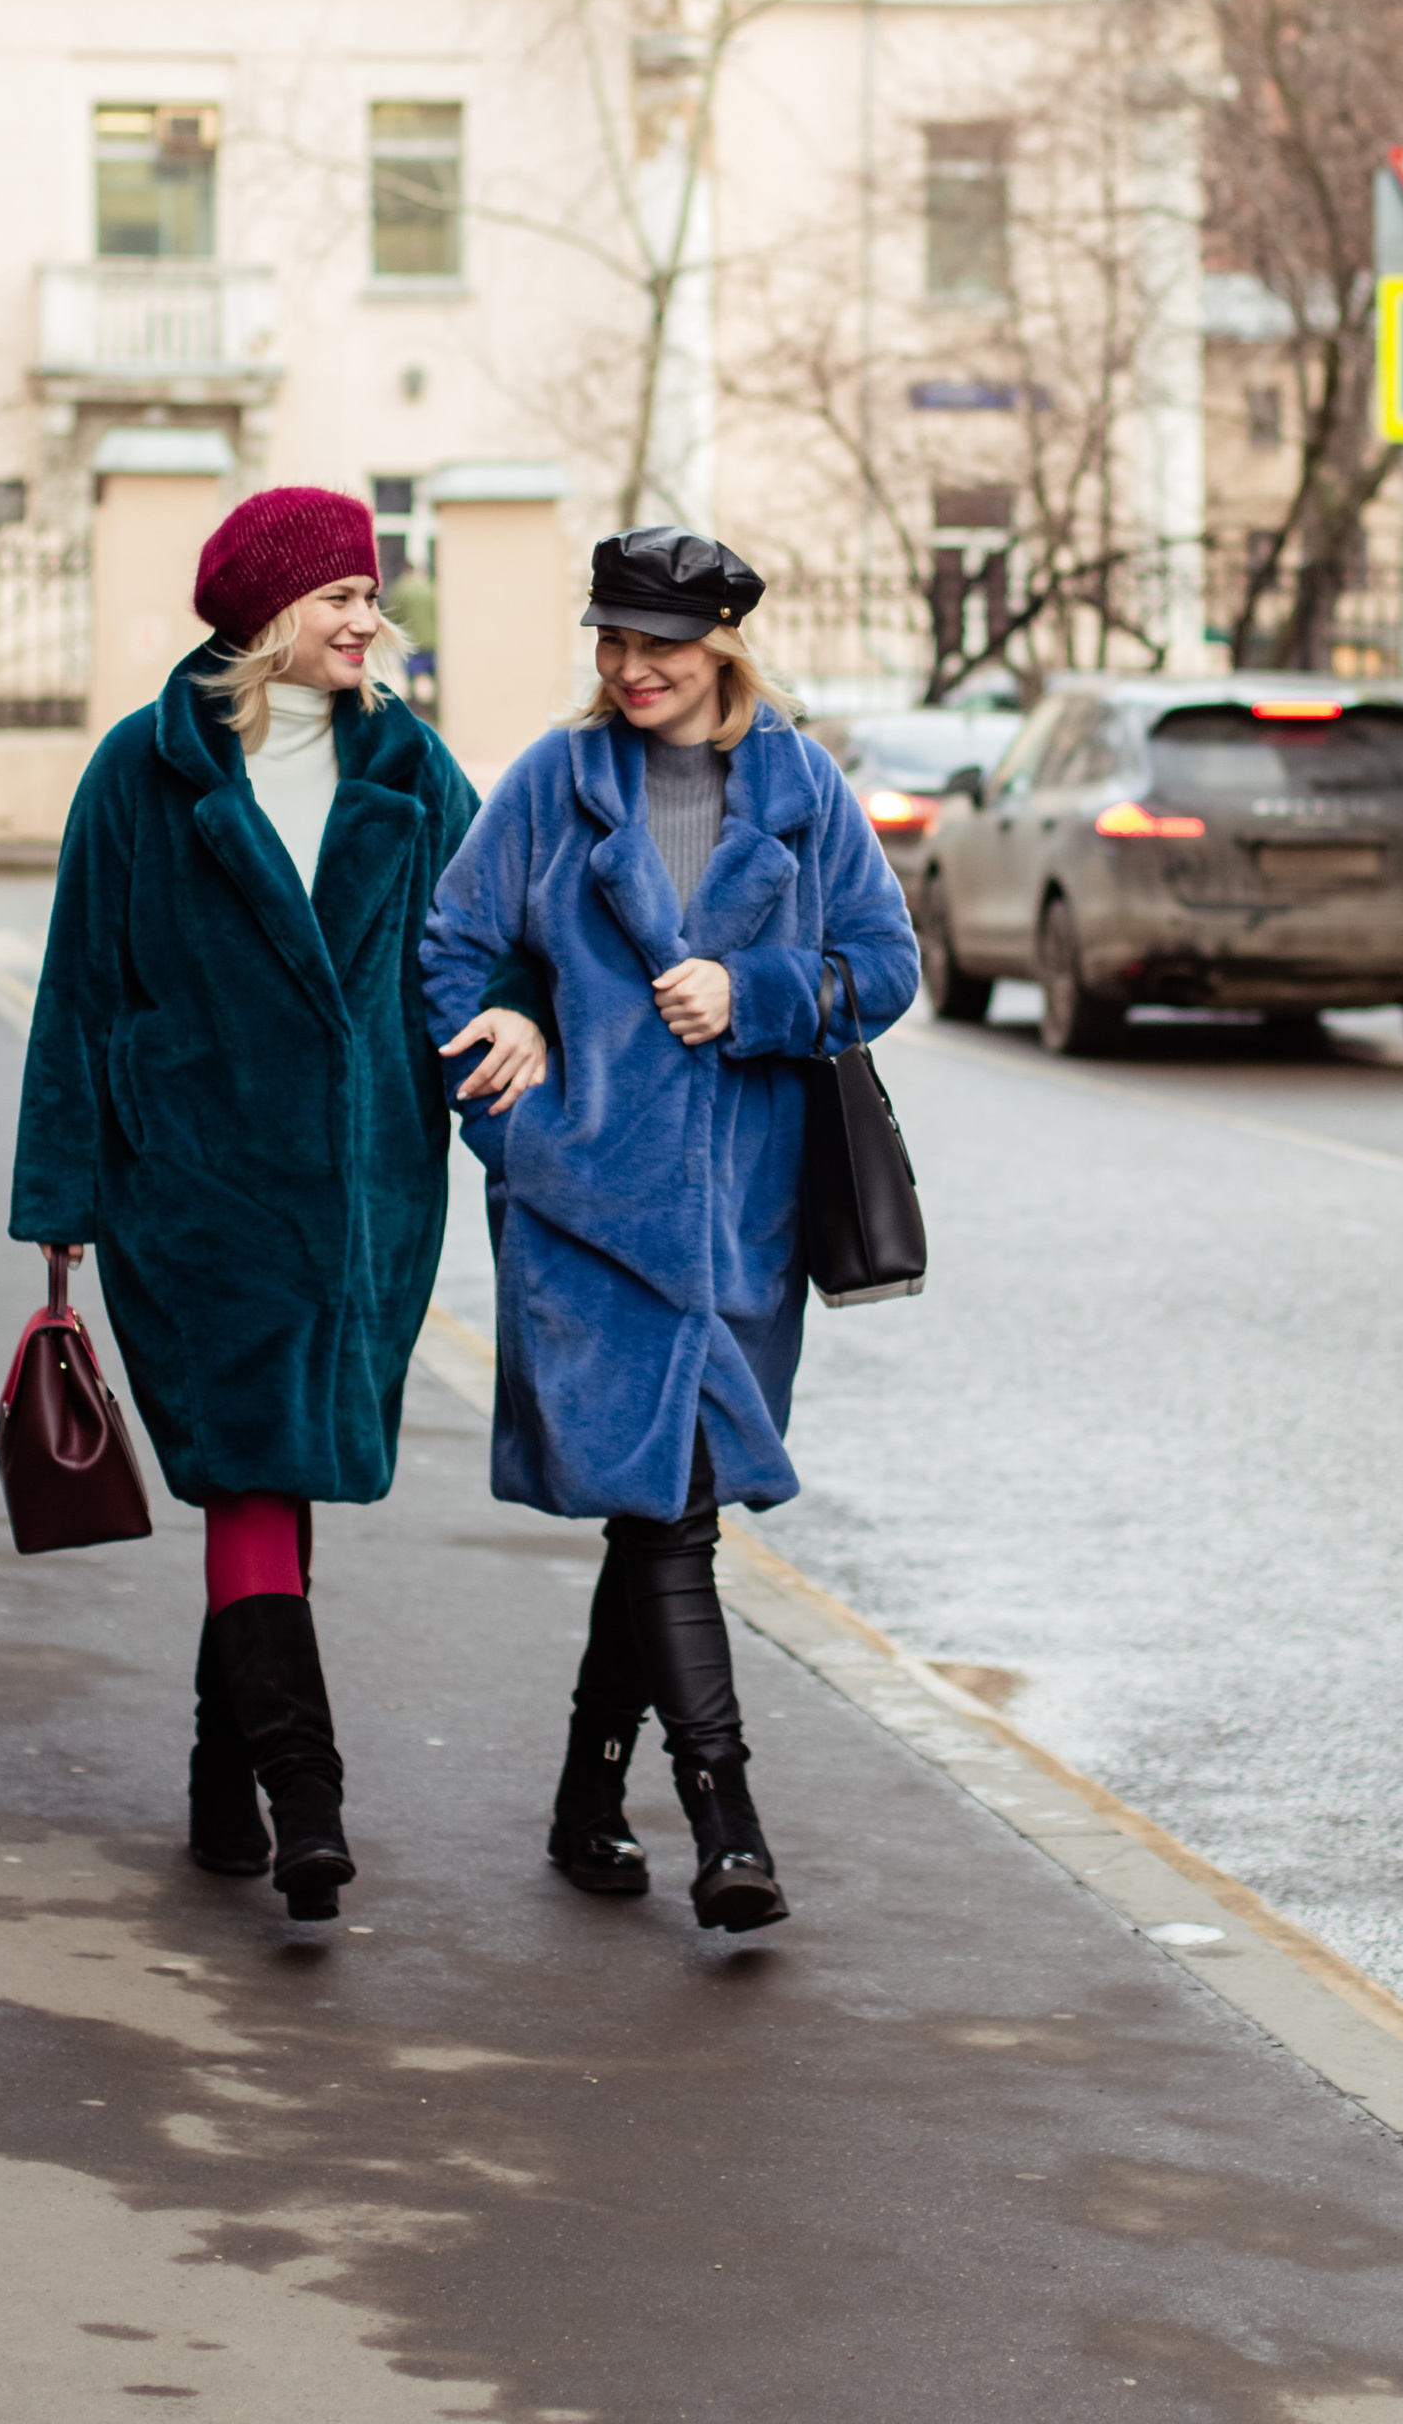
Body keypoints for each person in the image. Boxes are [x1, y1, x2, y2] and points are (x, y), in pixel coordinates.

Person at [421, 523, 919, 1933]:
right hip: (586, 1219)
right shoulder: (549, 785)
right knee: (676, 1523)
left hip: (743, 1227)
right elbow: (454, 950)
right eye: (613, 639)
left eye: (660, 641)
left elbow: (884, 967)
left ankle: (589, 1797)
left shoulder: (802, 788)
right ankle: (728, 1819)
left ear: (722, 647)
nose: (631, 666)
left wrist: (756, 993)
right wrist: (515, 1087)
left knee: (661, 1511)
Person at [8, 486, 478, 1928]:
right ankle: (306, 1796)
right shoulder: (144, 776)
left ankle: (225, 1775)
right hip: (195, 1187)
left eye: (371, 597)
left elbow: (482, 946)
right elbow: (81, 987)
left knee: (283, 1463)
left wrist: (518, 1037)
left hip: (363, 1192)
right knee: (255, 1461)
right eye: (339, 596)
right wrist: (64, 1192)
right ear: (267, 615)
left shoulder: (413, 770)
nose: (366, 621)